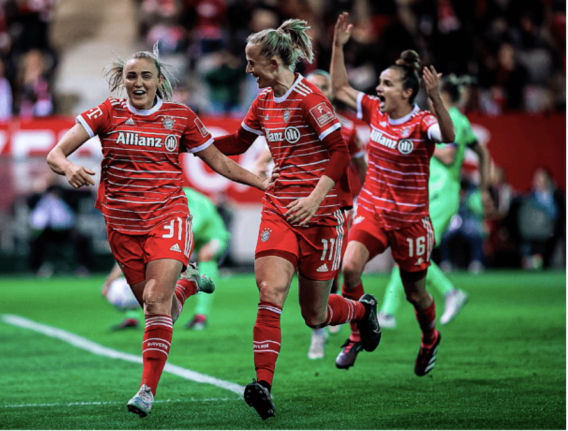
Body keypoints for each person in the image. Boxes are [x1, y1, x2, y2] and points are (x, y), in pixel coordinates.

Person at [46, 43, 269, 418]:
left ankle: (147, 390)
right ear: (122, 80)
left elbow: (220, 163)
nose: (138, 82)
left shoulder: (180, 117)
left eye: (146, 75)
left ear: (158, 81)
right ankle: (191, 283)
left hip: (168, 217)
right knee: (160, 306)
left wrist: (264, 184)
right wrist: (68, 169)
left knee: (153, 300)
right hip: (121, 226)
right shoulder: (106, 113)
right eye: (131, 76)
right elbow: (55, 154)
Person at [212, 19, 381, 420]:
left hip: (322, 215)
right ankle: (263, 385)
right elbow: (238, 142)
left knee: (315, 315)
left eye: (253, 63)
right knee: (270, 292)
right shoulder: (264, 100)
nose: (248, 71)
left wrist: (315, 197)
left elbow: (339, 153)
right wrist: (191, 140)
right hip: (280, 207)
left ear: (273, 62)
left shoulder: (310, 99)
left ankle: (361, 311)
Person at [329, 12, 456, 376]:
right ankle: (357, 334)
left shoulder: (422, 123)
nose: (378, 89)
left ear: (407, 92)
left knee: (416, 295)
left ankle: (430, 338)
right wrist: (338, 47)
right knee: (350, 267)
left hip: (411, 222)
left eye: (386, 84)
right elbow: (339, 88)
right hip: (373, 209)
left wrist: (436, 99)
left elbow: (446, 137)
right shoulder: (374, 110)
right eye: (379, 83)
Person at [252, 69, 367, 361]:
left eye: (324, 86)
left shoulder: (347, 129)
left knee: (333, 276)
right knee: (291, 284)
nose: (319, 91)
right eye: (314, 86)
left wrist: (365, 199)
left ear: (330, 92)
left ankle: (350, 324)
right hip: (296, 210)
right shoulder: (295, 119)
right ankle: (319, 333)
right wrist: (265, 173)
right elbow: (261, 160)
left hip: (333, 212)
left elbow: (360, 168)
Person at [377, 74, 492, 328]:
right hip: (431, 195)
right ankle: (390, 311)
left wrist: (417, 142)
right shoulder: (453, 120)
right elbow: (482, 152)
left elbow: (449, 155)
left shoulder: (452, 120)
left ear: (442, 96)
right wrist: (483, 188)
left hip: (441, 195)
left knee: (413, 254)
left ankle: (444, 295)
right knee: (410, 253)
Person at [102, 187, 231, 331]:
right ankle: (132, 317)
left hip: (214, 236)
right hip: (181, 239)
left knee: (205, 254)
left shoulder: (190, 202)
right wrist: (110, 279)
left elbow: (185, 236)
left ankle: (201, 316)